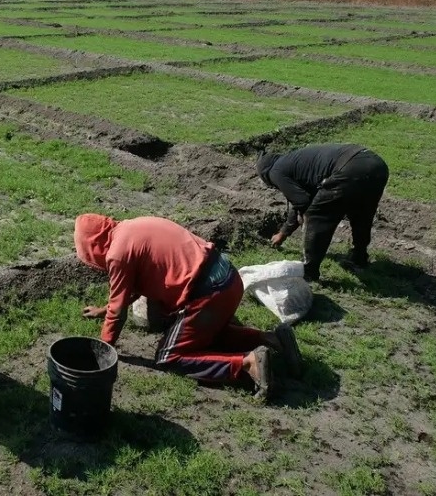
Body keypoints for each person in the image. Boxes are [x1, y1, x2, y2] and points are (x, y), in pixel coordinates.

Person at [73, 214, 303, 398]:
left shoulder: (117, 255)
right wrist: (103, 310)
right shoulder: (132, 227)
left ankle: (246, 365)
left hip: (207, 295)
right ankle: (272, 339)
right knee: (207, 336)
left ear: (93, 247)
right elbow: (129, 291)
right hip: (229, 281)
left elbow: (118, 311)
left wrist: (103, 348)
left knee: (169, 357)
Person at [256, 144, 389, 282]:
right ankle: (359, 258)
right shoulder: (293, 161)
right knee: (362, 212)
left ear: (265, 174)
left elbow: (301, 201)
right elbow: (302, 199)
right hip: (375, 165)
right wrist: (284, 232)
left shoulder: (275, 172)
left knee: (317, 215)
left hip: (350, 168)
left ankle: (309, 272)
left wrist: (293, 225)